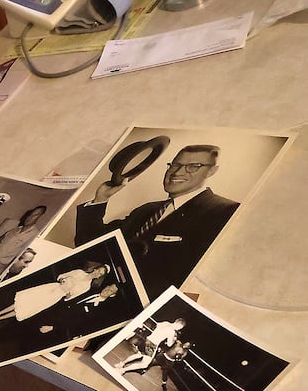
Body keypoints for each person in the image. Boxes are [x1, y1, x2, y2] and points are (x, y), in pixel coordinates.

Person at [75, 145, 239, 297]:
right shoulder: (147, 210)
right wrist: (101, 199)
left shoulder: (226, 211)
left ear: (212, 171)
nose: (177, 172)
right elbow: (91, 247)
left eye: (193, 166)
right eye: (174, 165)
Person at [0, 264, 109, 324]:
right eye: (98, 270)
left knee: (27, 308)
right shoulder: (79, 272)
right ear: (95, 268)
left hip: (55, 296)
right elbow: (62, 276)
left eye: (100, 274)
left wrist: (68, 292)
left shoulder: (86, 287)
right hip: (51, 287)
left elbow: (69, 297)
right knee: (23, 301)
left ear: (99, 277)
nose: (97, 273)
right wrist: (62, 281)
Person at [38, 283, 119, 335]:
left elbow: (77, 322)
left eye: (111, 291)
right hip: (51, 313)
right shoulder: (90, 290)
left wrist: (54, 328)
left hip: (55, 327)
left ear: (112, 295)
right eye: (108, 287)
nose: (107, 290)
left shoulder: (100, 311)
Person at [115, 318, 186, 374]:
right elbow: (169, 344)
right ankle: (122, 370)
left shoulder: (166, 322)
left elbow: (157, 325)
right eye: (180, 328)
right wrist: (174, 339)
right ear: (179, 326)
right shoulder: (172, 331)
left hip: (147, 339)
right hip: (152, 344)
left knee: (139, 355)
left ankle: (121, 363)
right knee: (145, 364)